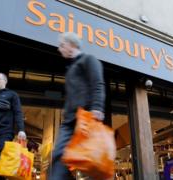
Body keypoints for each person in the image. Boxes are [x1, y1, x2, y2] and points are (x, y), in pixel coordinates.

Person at [48, 32, 106, 180]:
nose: (59, 48)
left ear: (71, 45)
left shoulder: (89, 60)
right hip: (69, 121)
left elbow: (98, 84)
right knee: (59, 156)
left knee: (92, 162)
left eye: (61, 45)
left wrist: (97, 107)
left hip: (85, 117)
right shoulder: (70, 69)